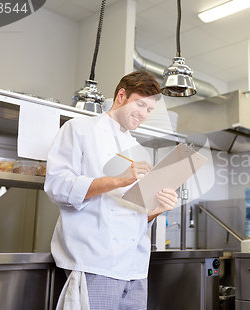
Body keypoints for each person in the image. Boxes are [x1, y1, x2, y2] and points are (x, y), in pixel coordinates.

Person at [45, 71, 178, 310]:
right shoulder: (79, 129)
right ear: (121, 95)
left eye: (149, 109)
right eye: (140, 104)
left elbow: (133, 217)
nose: (144, 114)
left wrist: (157, 210)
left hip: (136, 268)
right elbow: (57, 186)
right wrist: (117, 180)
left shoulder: (139, 150)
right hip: (95, 262)